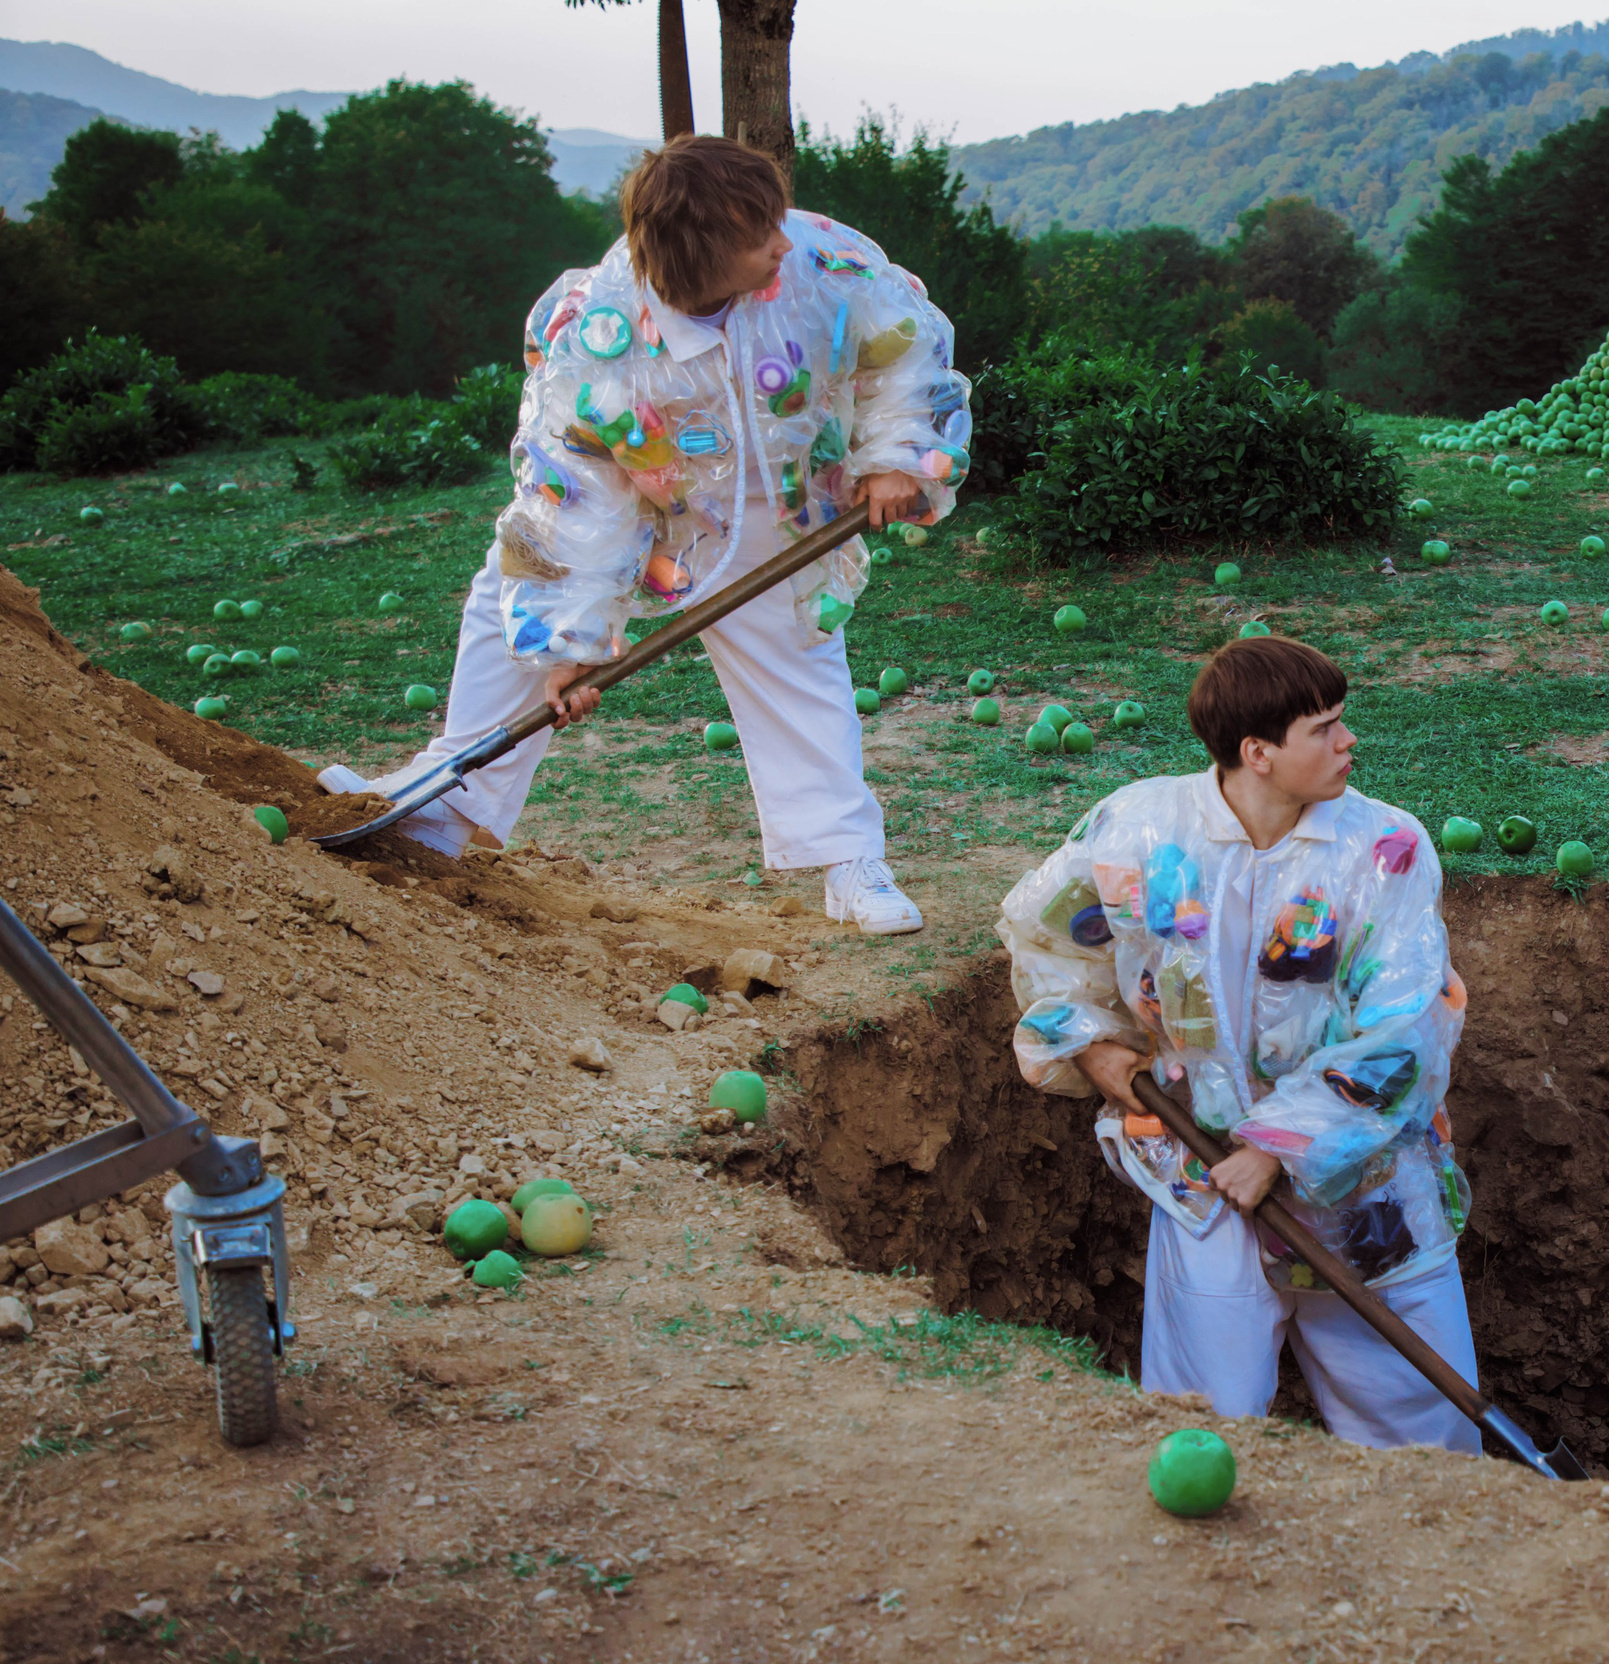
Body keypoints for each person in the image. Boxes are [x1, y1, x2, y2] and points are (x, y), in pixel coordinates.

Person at [322, 134, 970, 934]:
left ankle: (848, 860)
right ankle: (446, 806)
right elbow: (576, 496)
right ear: (700, 262)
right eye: (758, 236)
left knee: (798, 659)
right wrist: (574, 639)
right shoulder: (602, 339)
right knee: (510, 603)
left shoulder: (817, 260)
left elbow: (901, 345)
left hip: (773, 489)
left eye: (775, 220)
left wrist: (895, 454)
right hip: (638, 495)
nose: (781, 241)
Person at [997, 637, 1481, 1452]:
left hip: (1365, 1194)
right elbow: (1048, 942)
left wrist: (1278, 1148)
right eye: (1323, 728)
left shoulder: (1385, 851)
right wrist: (1091, 1044)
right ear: (1257, 753)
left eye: (1341, 721)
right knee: (1201, 1426)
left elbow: (1407, 1029)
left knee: (1420, 1436)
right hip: (1201, 1177)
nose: (1348, 740)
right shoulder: (1137, 833)